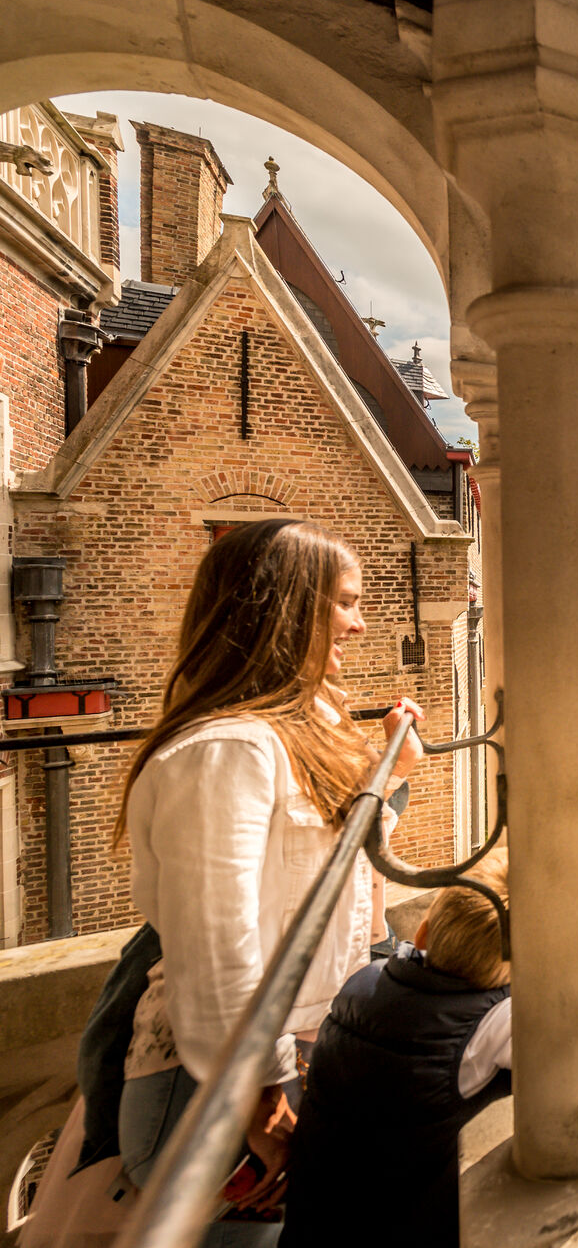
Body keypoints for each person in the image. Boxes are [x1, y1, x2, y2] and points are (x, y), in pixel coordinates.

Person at [115, 518, 424, 1244]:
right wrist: (264, 1093)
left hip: (275, 1063)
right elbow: (218, 951)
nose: (360, 620)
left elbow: (342, 878)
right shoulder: (226, 752)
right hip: (211, 1087)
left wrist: (393, 777)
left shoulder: (290, 733)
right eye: (344, 602)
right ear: (288, 608)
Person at [279, 860, 512, 1248]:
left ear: (421, 933)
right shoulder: (494, 1027)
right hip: (405, 1228)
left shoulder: (365, 981)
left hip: (313, 1225)